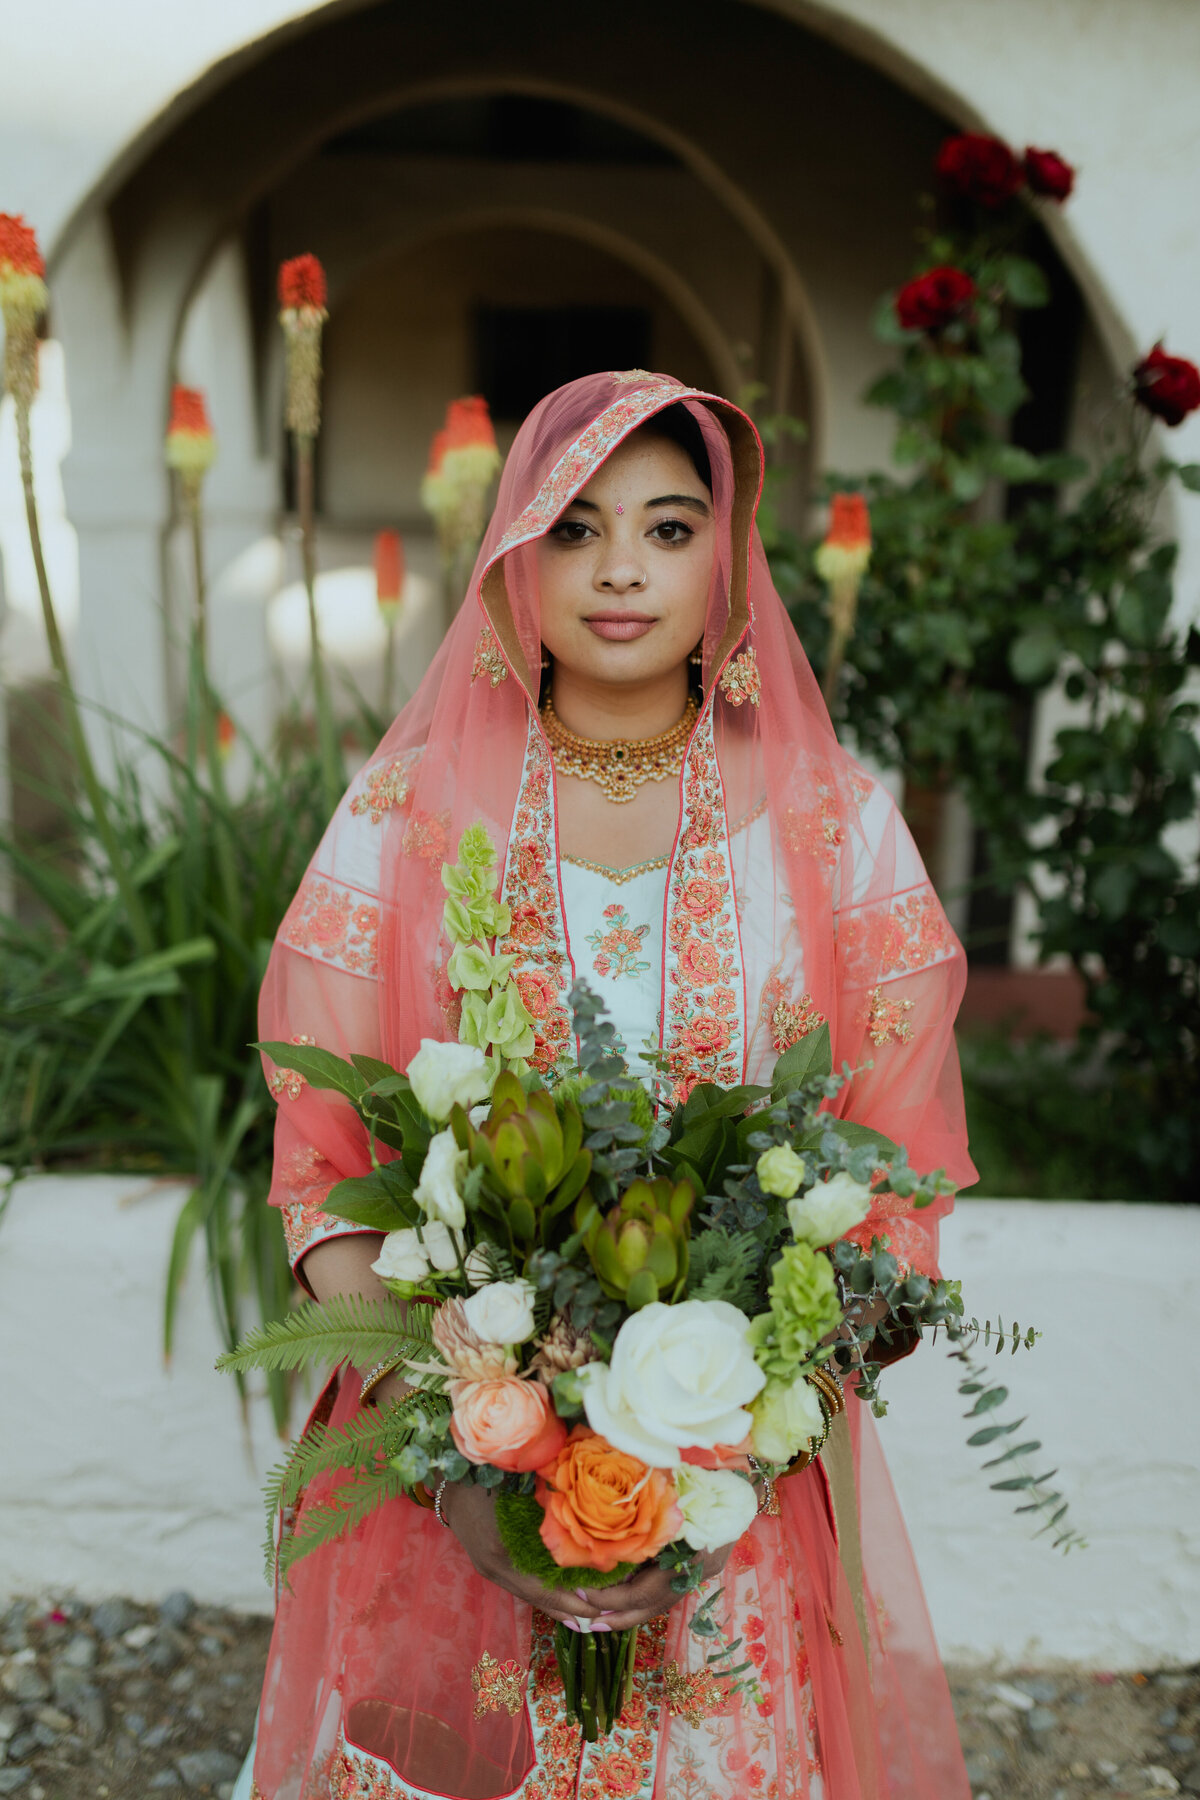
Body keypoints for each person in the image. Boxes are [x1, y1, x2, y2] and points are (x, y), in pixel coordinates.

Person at [241, 370, 977, 1800]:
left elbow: (899, 1169)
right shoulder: (404, 819)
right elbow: (323, 1155)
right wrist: (464, 1448)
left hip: (737, 1505)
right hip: (449, 1491)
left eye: (668, 524)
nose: (623, 567)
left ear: (730, 553)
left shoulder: (837, 827)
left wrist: (735, 1444)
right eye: (575, 529)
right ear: (513, 554)